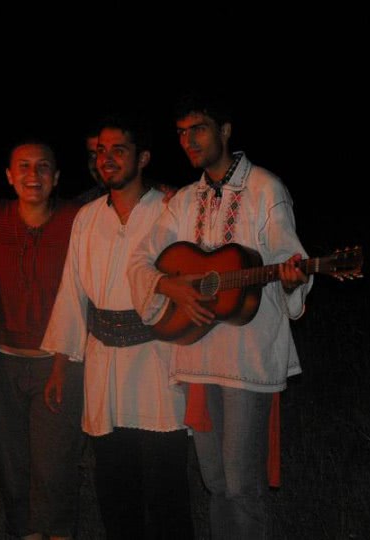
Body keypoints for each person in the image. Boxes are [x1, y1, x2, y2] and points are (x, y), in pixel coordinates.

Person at [127, 90, 311, 539]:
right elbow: (141, 260)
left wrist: (292, 280)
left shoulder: (265, 189)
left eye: (199, 129)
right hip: (197, 355)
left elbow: (289, 259)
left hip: (247, 357)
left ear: (225, 131)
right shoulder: (184, 200)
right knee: (215, 481)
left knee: (241, 484)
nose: (188, 140)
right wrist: (168, 284)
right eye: (181, 132)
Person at [41, 114, 193, 539]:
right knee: (114, 483)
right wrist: (60, 364)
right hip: (104, 365)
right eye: (101, 151)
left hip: (159, 360)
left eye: (119, 150)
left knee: (166, 485)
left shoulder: (172, 211)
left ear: (142, 158)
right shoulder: (87, 217)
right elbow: (72, 291)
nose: (106, 159)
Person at [0, 139, 84, 540]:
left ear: (56, 177)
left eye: (42, 166)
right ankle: (24, 532)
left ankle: (56, 531)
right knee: (10, 461)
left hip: (56, 359)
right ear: (9, 176)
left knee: (55, 461)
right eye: (23, 166)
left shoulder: (77, 219)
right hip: (1, 358)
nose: (33, 175)